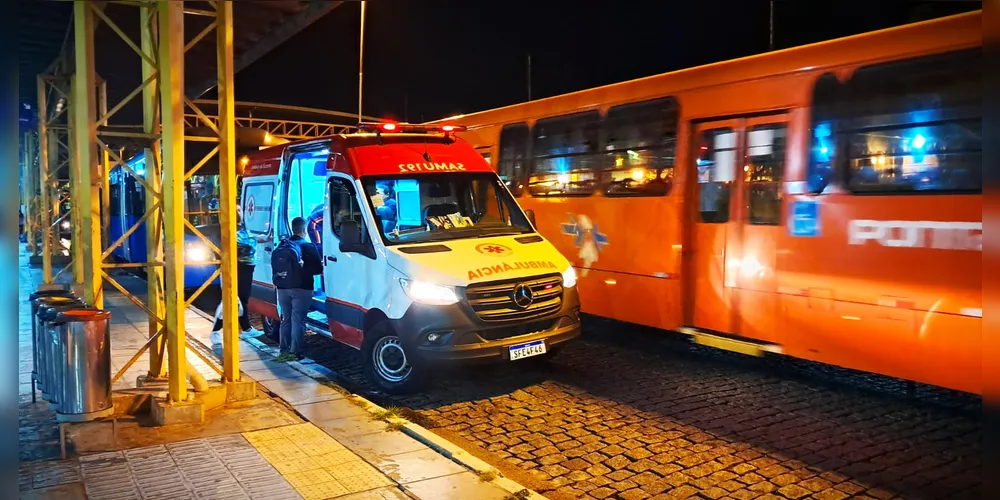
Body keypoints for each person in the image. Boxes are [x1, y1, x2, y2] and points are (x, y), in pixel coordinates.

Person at [211, 207, 268, 338]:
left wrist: (261, 238)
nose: (238, 213)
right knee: (237, 300)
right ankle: (242, 329)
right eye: (235, 210)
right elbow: (242, 244)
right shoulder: (227, 229)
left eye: (239, 210)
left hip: (246, 268)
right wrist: (255, 240)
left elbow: (248, 237)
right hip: (237, 268)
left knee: (238, 300)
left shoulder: (241, 227)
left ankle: (237, 329)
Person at [274, 217, 322, 361]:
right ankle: (295, 352)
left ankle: (283, 350)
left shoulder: (283, 246)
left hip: (282, 288)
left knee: (286, 319)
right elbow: (318, 269)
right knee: (298, 320)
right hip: (302, 288)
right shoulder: (308, 247)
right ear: (304, 229)